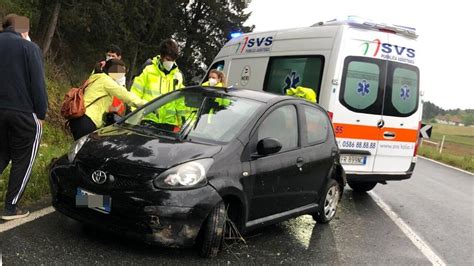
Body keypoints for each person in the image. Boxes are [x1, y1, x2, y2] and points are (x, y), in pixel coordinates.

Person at [0, 14, 47, 220]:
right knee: (23, 159)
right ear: (23, 29)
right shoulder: (29, 48)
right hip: (23, 112)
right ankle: (11, 207)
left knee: (1, 153)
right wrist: (41, 113)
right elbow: (37, 84)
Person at [68, 59, 146, 140]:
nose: (122, 75)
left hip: (78, 117)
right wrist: (144, 104)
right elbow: (125, 95)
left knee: (80, 148)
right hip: (87, 120)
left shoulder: (96, 77)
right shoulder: (107, 81)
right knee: (86, 150)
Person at [131, 39, 185, 129]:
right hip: (147, 121)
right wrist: (135, 117)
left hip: (169, 125)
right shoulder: (148, 70)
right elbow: (135, 94)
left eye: (173, 60)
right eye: (168, 59)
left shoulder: (178, 76)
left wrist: (183, 123)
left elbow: (180, 102)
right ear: (161, 56)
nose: (170, 63)